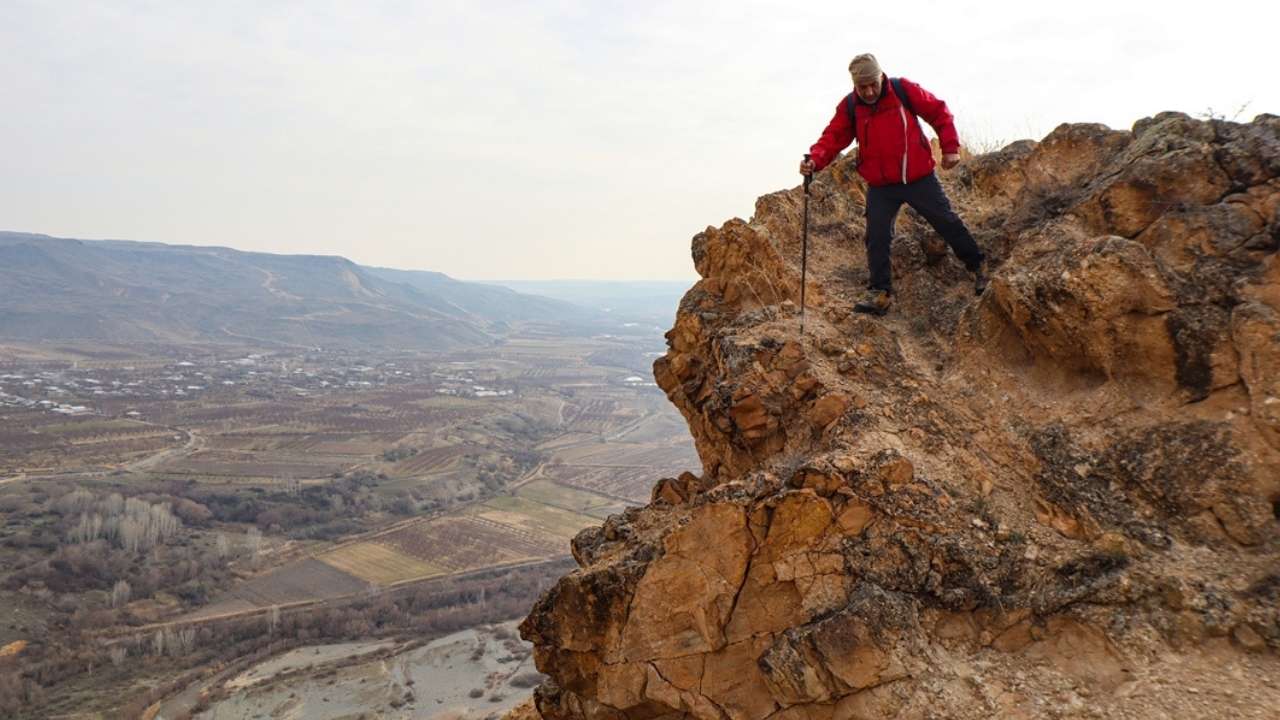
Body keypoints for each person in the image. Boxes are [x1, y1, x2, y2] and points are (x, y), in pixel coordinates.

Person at [800, 53, 986, 316]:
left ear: (881, 76)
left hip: (918, 177)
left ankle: (979, 266)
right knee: (876, 237)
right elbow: (832, 138)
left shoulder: (902, 90)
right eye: (862, 87)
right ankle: (880, 293)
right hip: (881, 185)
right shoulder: (851, 106)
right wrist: (814, 161)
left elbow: (938, 111)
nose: (869, 91)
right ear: (855, 85)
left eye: (873, 84)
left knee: (946, 220)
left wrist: (950, 147)